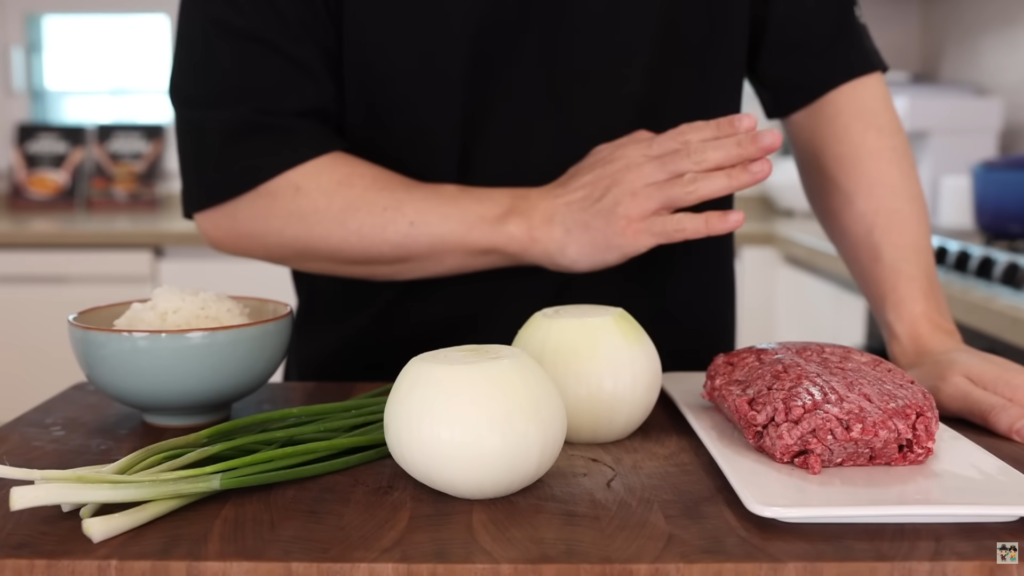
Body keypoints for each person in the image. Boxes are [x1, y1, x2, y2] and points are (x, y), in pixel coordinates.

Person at [170, 0, 1024, 444]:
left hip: (669, 420)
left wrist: (923, 335)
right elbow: (247, 185)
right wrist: (541, 220)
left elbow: (829, 74)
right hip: (376, 415)